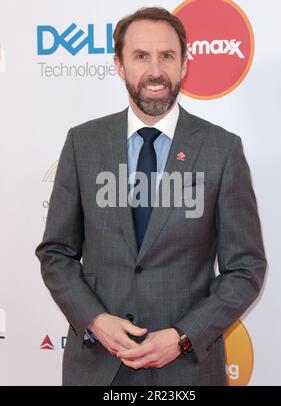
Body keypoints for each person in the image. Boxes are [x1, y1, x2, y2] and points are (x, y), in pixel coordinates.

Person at [35, 7, 267, 386]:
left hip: (187, 370)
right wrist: (94, 319)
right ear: (120, 65)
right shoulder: (82, 144)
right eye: (141, 56)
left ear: (184, 65)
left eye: (167, 56)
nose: (155, 71)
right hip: (97, 366)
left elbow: (246, 268)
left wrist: (183, 336)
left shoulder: (221, 150)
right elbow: (56, 253)